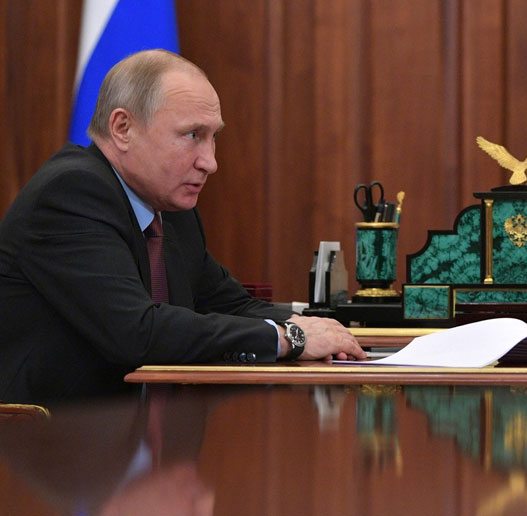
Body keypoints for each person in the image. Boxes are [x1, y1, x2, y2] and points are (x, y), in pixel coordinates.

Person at [0, 50, 365, 404]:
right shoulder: (71, 194)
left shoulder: (171, 209)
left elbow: (230, 305)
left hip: (135, 434)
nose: (210, 163)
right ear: (123, 128)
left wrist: (329, 329)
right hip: (52, 438)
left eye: (213, 137)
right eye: (192, 135)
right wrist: (291, 338)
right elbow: (137, 332)